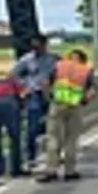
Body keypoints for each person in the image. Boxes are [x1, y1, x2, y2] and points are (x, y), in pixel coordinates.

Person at [36, 48, 96, 183]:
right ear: (83, 59)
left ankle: (51, 169)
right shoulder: (85, 70)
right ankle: (70, 171)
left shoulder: (59, 66)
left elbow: (46, 83)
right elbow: (91, 91)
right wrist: (84, 101)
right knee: (72, 139)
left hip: (57, 105)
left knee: (53, 137)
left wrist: (49, 98)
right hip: (75, 107)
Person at [12, 33, 57, 172]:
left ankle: (54, 156)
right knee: (32, 128)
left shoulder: (53, 59)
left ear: (45, 45)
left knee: (55, 128)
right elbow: (14, 75)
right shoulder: (26, 60)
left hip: (51, 95)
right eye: (34, 47)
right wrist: (25, 86)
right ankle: (31, 157)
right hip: (34, 95)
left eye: (39, 46)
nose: (36, 49)